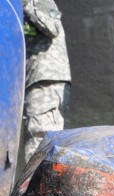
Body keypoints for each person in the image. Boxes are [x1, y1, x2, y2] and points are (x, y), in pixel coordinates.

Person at [22, 0, 71, 163]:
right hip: (33, 80)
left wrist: (27, 5)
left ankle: (36, 187)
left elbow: (53, 27)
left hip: (46, 80)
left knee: (41, 140)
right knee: (43, 141)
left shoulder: (37, 1)